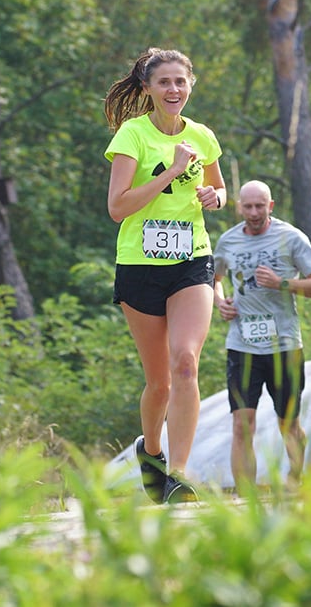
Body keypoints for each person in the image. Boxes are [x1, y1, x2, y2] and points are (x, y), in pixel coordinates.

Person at [103, 47, 226, 503]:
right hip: (140, 267)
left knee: (186, 363)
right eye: (164, 83)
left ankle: (178, 472)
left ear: (191, 85)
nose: (173, 90)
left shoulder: (203, 136)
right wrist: (172, 170)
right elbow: (118, 208)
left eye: (180, 82)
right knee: (159, 382)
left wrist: (217, 196)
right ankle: (150, 451)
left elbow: (217, 186)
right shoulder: (132, 135)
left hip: (191, 261)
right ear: (149, 89)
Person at [212, 180, 311, 490]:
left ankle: (297, 479)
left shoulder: (291, 238)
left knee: (288, 422)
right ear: (239, 207)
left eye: (259, 206)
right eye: (247, 206)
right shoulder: (228, 241)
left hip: (284, 345)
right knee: (241, 425)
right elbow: (215, 278)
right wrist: (220, 302)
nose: (253, 212)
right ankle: (245, 497)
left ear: (270, 206)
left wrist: (283, 284)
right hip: (242, 346)